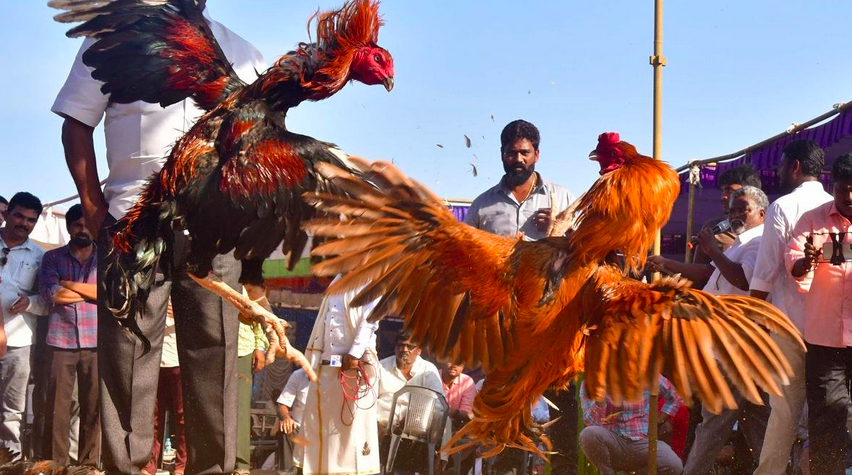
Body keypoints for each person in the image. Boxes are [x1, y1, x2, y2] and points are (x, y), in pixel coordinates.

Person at [52, 3, 266, 473]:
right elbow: (75, 123)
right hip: (132, 222)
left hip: (215, 229)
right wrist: (92, 209)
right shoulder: (114, 36)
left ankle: (213, 469)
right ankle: (125, 469)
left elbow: (259, 146)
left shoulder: (243, 55)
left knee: (216, 353)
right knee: (128, 355)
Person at [464, 119, 577, 475]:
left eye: (524, 152)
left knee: (557, 404)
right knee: (503, 403)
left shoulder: (561, 198)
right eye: (511, 152)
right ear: (501, 155)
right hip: (501, 322)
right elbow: (468, 264)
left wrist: (558, 232)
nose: (518, 159)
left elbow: (580, 256)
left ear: (537, 155)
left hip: (549, 320)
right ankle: (504, 466)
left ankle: (556, 468)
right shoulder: (482, 207)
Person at [651, 186, 771, 475]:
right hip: (728, 342)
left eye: (743, 208)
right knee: (758, 423)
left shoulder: (758, 242)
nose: (736, 214)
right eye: (731, 209)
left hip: (736, 345)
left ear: (762, 214)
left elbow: (743, 279)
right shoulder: (739, 244)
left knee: (713, 423)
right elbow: (713, 280)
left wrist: (713, 251)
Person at [750, 140, 832, 475]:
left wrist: (747, 320)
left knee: (784, 411)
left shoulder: (782, 207)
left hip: (788, 325)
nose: (780, 171)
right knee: (830, 409)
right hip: (831, 327)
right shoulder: (836, 204)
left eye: (782, 165)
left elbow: (765, 273)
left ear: (795, 167)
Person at [786, 152, 852, 474]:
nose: (849, 197)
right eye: (843, 190)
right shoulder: (811, 220)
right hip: (825, 343)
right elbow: (794, 264)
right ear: (833, 186)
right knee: (826, 422)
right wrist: (807, 261)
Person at [37, 204, 100, 465]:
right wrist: (89, 292)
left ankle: (88, 467)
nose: (82, 229)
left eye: (87, 225)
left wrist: (67, 284)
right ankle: (56, 466)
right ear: (68, 227)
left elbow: (107, 295)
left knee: (93, 409)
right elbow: (51, 295)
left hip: (97, 342)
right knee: (57, 410)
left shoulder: (105, 257)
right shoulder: (52, 258)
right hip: (60, 342)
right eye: (77, 225)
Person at [299, 278, 381, 475]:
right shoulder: (337, 281)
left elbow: (370, 320)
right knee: (320, 428)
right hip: (328, 366)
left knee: (352, 432)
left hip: (355, 368)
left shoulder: (372, 281)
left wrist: (354, 353)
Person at [0, 192, 49, 458]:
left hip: (18, 343)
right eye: (18, 215)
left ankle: (10, 465)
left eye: (31, 220)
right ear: (7, 213)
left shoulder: (42, 257)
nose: (24, 223)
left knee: (12, 411)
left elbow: (48, 301)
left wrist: (29, 303)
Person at [579, 375, 683, 475]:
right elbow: (590, 422)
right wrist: (599, 399)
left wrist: (659, 420)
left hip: (642, 442)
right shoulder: (592, 382)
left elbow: (675, 397)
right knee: (588, 434)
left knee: (674, 465)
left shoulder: (647, 374)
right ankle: (607, 472)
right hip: (612, 443)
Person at [376, 331, 446, 473]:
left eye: (410, 346)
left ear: (419, 350)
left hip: (416, 431)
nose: (404, 350)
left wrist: (411, 417)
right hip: (382, 428)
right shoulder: (381, 366)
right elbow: (369, 399)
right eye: (401, 345)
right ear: (395, 347)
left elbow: (439, 404)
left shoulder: (428, 370)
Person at [143, 302, 186, 475]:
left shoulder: (185, 290)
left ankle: (181, 465)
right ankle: (149, 464)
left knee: (182, 416)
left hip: (179, 359)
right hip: (154, 361)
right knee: (152, 417)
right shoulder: (153, 289)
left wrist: (180, 314)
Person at [692, 164, 763, 265]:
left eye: (730, 191)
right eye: (723, 191)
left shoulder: (769, 229)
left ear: (752, 194)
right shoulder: (712, 228)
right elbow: (699, 270)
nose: (723, 196)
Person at [235, 322, 268, 475]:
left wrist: (260, 347)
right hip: (210, 344)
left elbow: (259, 312)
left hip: (242, 347)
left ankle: (241, 464)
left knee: (240, 407)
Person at [276, 368, 310, 470]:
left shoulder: (334, 374)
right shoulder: (298, 375)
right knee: (286, 427)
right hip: (300, 428)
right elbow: (282, 405)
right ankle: (287, 471)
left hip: (326, 430)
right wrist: (286, 418)